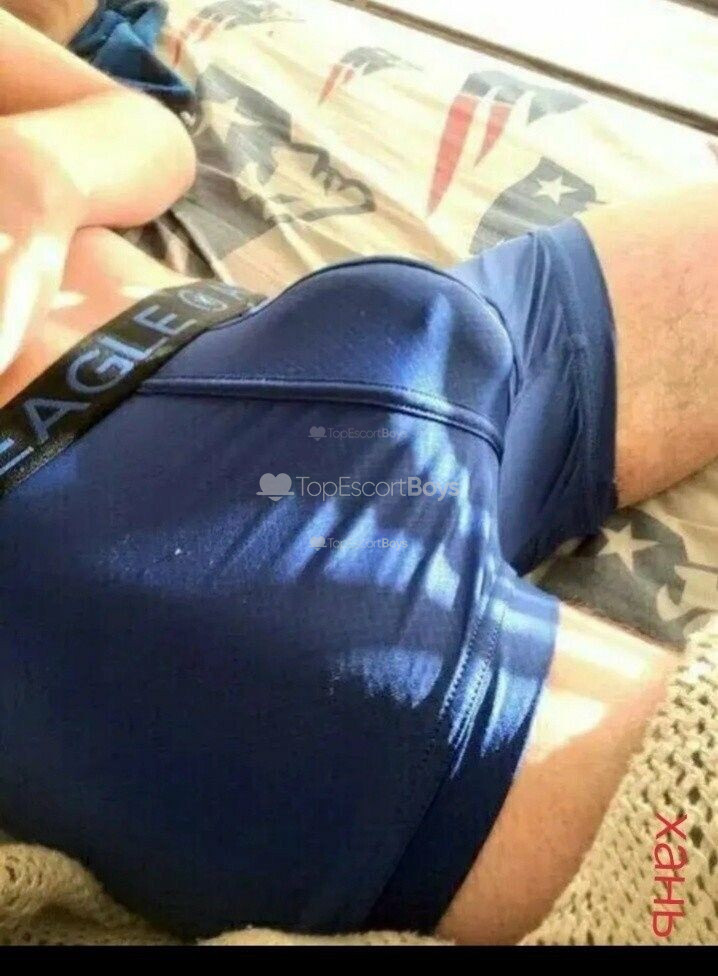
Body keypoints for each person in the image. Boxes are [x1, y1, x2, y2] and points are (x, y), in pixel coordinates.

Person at [0, 7, 715, 945]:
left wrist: (37, 173)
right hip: (149, 584)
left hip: (349, 344)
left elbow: (136, 122)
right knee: (687, 844)